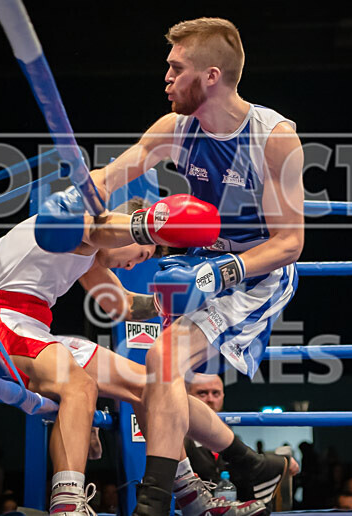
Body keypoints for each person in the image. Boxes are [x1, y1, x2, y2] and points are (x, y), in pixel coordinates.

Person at [86, 17, 304, 514]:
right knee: (156, 371)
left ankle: (156, 503)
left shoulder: (273, 138)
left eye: (175, 67)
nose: (165, 77)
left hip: (256, 274)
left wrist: (222, 273)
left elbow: (290, 243)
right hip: (196, 259)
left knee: (163, 361)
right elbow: (117, 171)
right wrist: (86, 190)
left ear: (210, 75)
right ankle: (252, 466)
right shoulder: (175, 128)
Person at [0, 197, 279, 516]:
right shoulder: (77, 225)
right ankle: (68, 505)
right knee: (80, 386)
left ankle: (192, 499)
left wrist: (181, 299)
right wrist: (155, 225)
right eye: (139, 254)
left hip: (31, 328)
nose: (131, 266)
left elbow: (123, 305)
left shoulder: (88, 256)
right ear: (130, 230)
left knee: (152, 386)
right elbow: (103, 229)